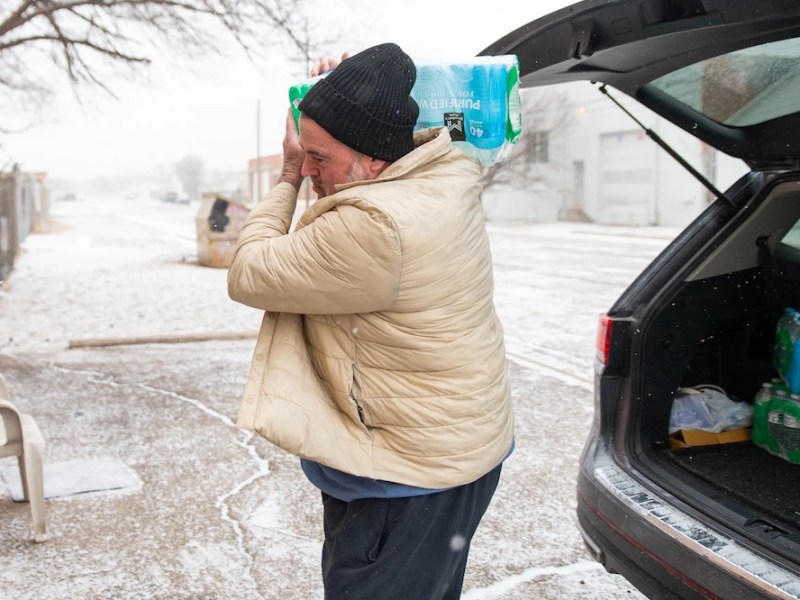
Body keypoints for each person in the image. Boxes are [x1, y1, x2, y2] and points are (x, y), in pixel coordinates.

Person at [227, 42, 514, 600]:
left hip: (403, 482)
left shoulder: (377, 227)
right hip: (449, 456)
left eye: (319, 159)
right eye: (304, 155)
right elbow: (380, 119)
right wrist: (352, 90)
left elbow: (248, 270)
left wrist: (286, 174)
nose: (310, 169)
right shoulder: (445, 173)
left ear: (376, 160)